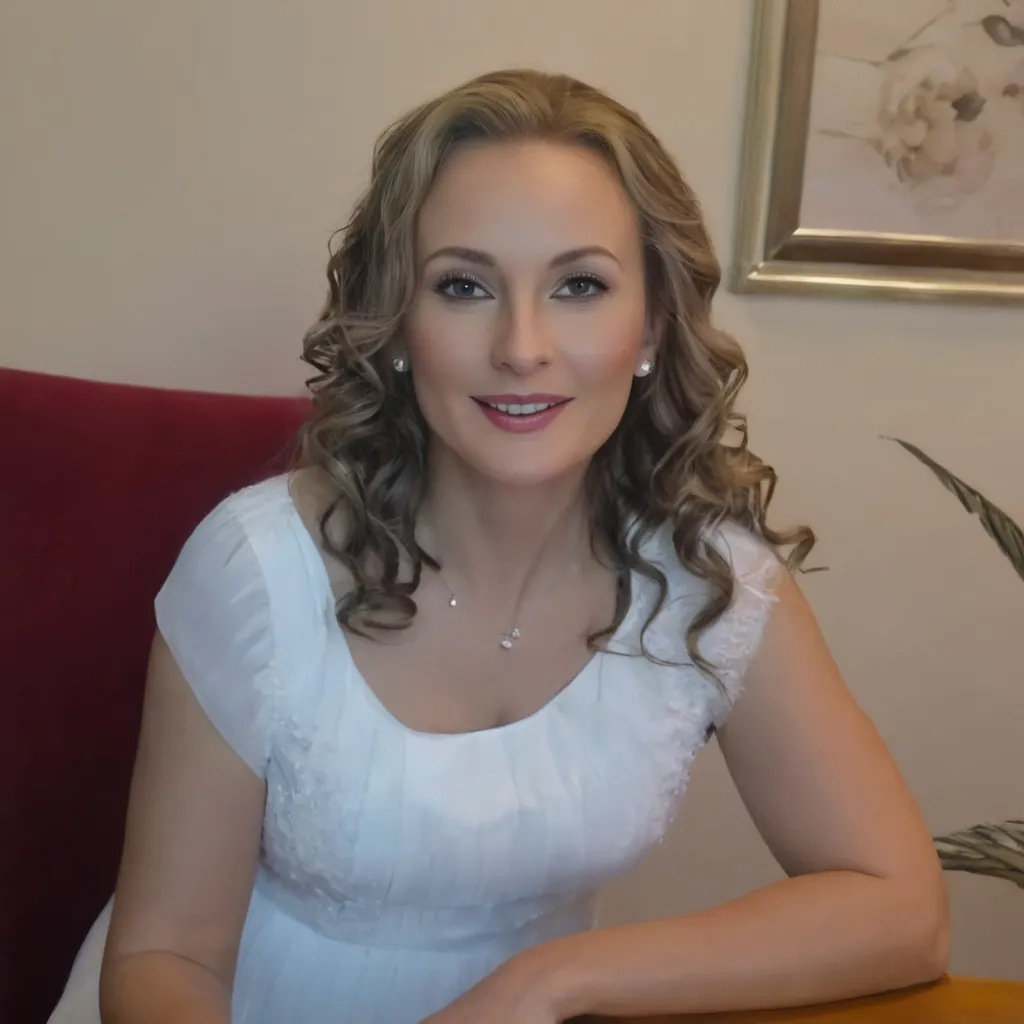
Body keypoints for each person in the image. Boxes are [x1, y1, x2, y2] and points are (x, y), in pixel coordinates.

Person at [49, 69, 948, 1024]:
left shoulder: (708, 582)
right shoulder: (256, 568)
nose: (522, 346)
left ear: (649, 324)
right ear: (400, 323)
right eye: (465, 285)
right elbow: (164, 955)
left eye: (579, 285)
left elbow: (901, 907)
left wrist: (553, 979)